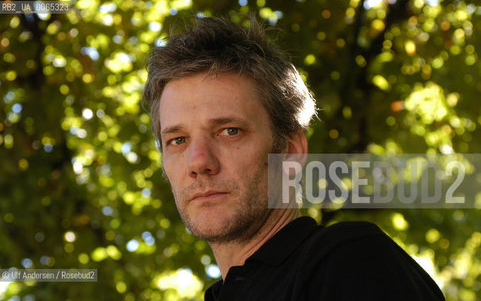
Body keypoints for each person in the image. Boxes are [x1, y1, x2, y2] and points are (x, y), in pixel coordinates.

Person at [142, 16, 445, 300]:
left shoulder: (349, 260)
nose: (198, 162)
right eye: (177, 140)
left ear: (290, 151)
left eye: (229, 131)